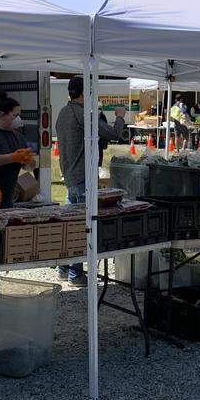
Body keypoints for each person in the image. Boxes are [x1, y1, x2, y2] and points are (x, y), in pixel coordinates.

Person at [55, 76, 122, 285]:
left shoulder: (63, 112)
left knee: (70, 225)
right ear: (85, 93)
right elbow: (114, 133)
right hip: (82, 178)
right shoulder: (83, 114)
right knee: (82, 227)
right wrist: (119, 116)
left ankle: (64, 266)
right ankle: (75, 272)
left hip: (70, 176)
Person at [0, 93, 35, 208]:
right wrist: (12, 158)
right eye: (15, 115)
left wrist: (29, 161)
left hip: (8, 197)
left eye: (19, 116)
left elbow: (28, 167)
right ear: (2, 115)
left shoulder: (17, 136)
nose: (18, 119)